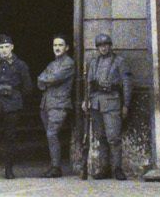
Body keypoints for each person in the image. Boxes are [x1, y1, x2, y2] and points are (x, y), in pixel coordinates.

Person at [0, 33, 34, 179]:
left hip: (11, 106)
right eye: (1, 47)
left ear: (12, 47)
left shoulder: (20, 65)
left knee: (10, 138)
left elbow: (27, 87)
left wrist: (15, 95)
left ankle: (8, 170)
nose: (4, 50)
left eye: (6, 47)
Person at [84, 30, 134, 180]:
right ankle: (103, 168)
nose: (103, 48)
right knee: (101, 137)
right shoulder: (94, 62)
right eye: (100, 46)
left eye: (106, 45)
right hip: (96, 103)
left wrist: (126, 104)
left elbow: (127, 83)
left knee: (114, 138)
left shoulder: (119, 62)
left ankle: (117, 168)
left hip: (112, 102)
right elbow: (89, 83)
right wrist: (86, 100)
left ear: (110, 46)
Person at [37, 34, 76, 177]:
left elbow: (54, 78)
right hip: (46, 104)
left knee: (52, 133)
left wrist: (46, 79)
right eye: (55, 45)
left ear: (66, 47)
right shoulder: (52, 64)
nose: (57, 48)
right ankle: (54, 165)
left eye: (60, 45)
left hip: (59, 104)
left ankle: (56, 167)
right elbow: (39, 81)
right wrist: (46, 80)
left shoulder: (68, 63)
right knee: (50, 135)